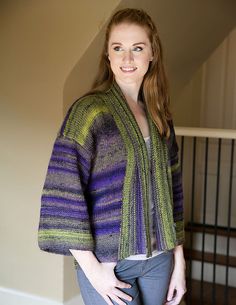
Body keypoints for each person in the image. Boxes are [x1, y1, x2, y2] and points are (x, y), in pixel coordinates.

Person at [38, 8, 186, 305]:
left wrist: (179, 263)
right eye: (118, 48)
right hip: (110, 266)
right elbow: (63, 195)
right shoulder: (90, 112)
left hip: (159, 262)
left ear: (152, 54)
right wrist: (94, 271)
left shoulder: (159, 116)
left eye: (137, 48)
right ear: (107, 56)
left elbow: (174, 195)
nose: (127, 59)